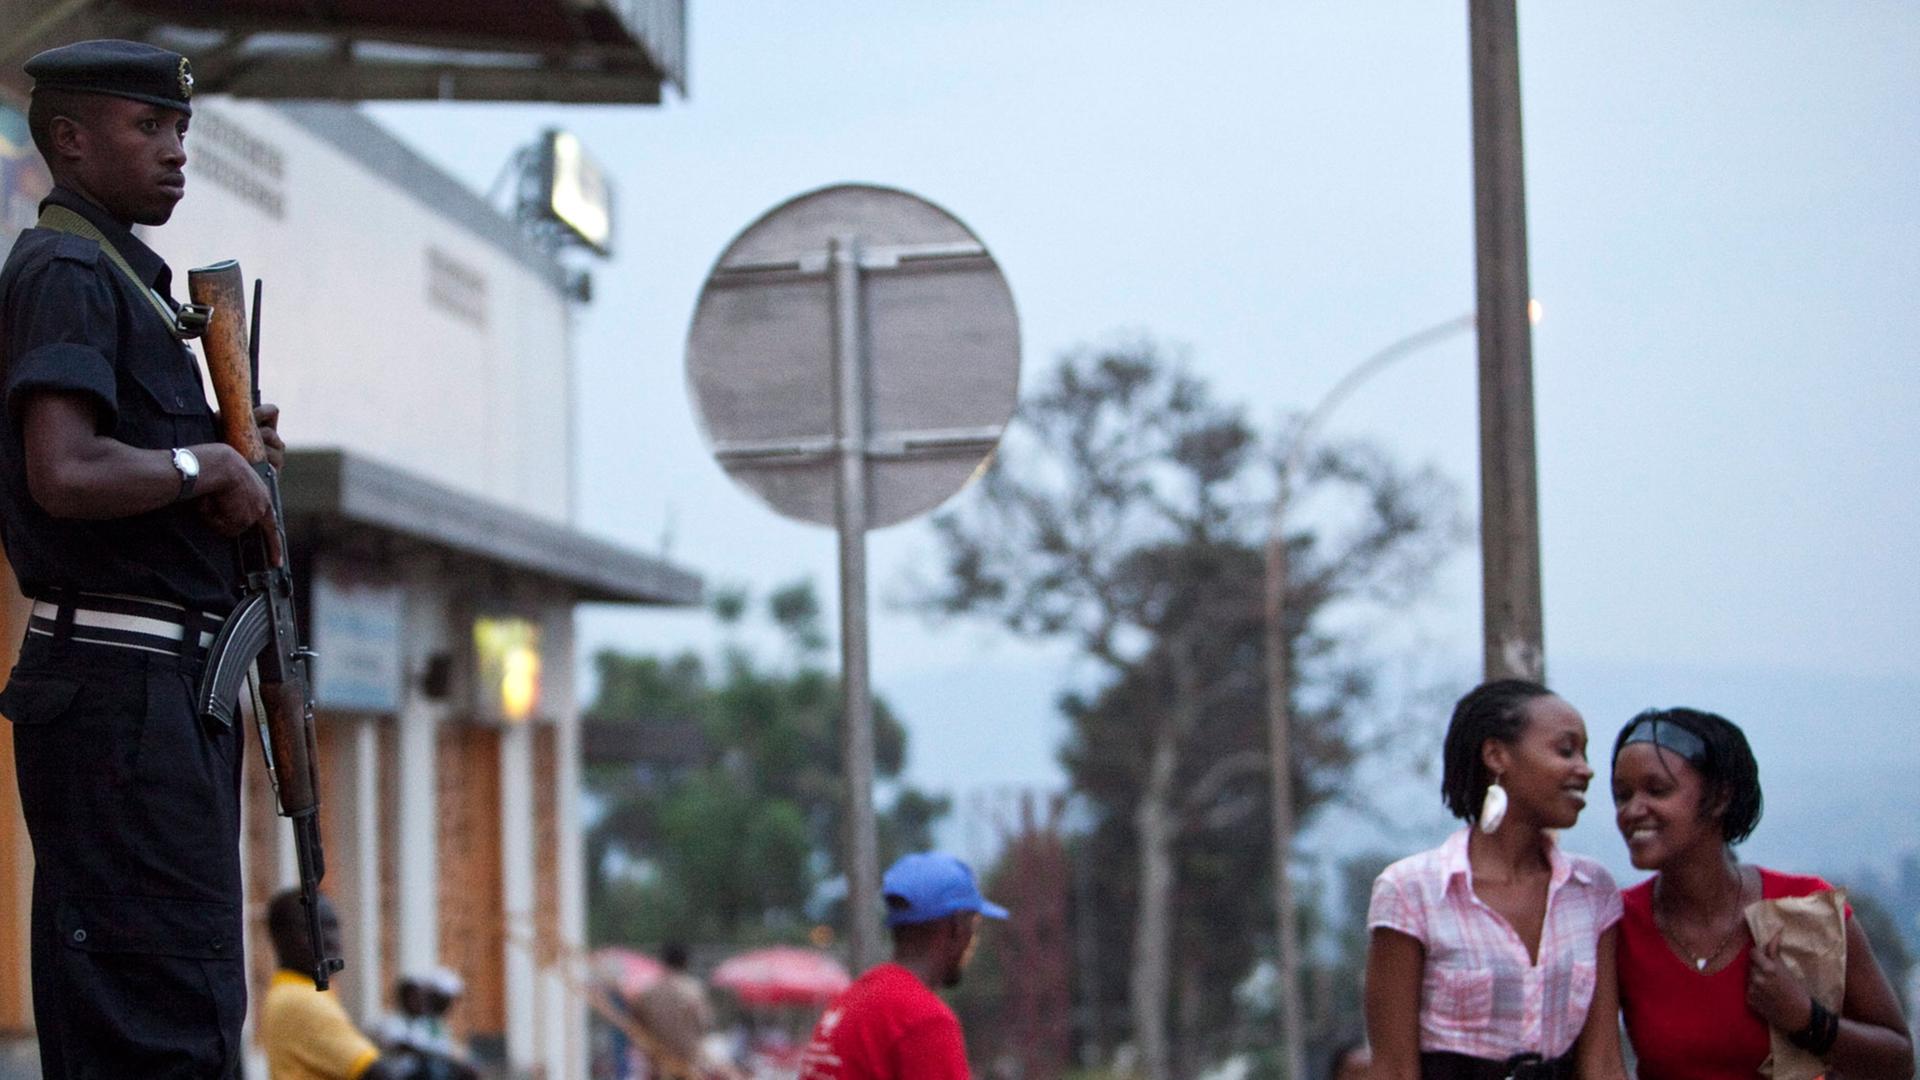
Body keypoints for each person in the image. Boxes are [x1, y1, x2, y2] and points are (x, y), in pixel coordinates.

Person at [0, 38, 284, 1078]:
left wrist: (223, 455)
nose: (176, 152)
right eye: (149, 127)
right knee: (155, 1004)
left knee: (175, 990)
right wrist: (201, 463)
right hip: (122, 690)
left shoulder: (119, 276)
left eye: (183, 131)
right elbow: (63, 472)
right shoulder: (71, 268)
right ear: (71, 143)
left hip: (151, 691)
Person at [1609, 707, 1913, 1080]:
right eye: (1622, 795)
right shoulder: (1618, 923)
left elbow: (1899, 1061)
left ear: (1720, 797)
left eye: (1657, 790)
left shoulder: (1803, 907)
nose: (1632, 811)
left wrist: (1804, 1018)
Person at [1364, 680, 1624, 1080]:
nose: (1585, 769)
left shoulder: (1592, 890)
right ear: (1496, 755)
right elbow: (1394, 1069)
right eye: (1566, 750)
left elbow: (1603, 1062)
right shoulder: (1411, 890)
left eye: (1584, 753)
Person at [798, 852, 1008, 1079]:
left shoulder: (849, 1002)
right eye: (974, 924)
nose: (973, 939)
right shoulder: (924, 1021)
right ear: (957, 926)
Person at [258, 889, 410, 1080]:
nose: (329, 939)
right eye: (313, 929)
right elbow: (376, 1073)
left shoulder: (289, 991)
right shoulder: (302, 1000)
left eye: (333, 927)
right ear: (280, 936)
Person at [632, 942, 717, 1079]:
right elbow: (705, 1023)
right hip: (686, 1065)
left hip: (658, 1065)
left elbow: (637, 1029)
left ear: (663, 961)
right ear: (686, 962)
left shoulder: (648, 993)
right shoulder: (693, 990)